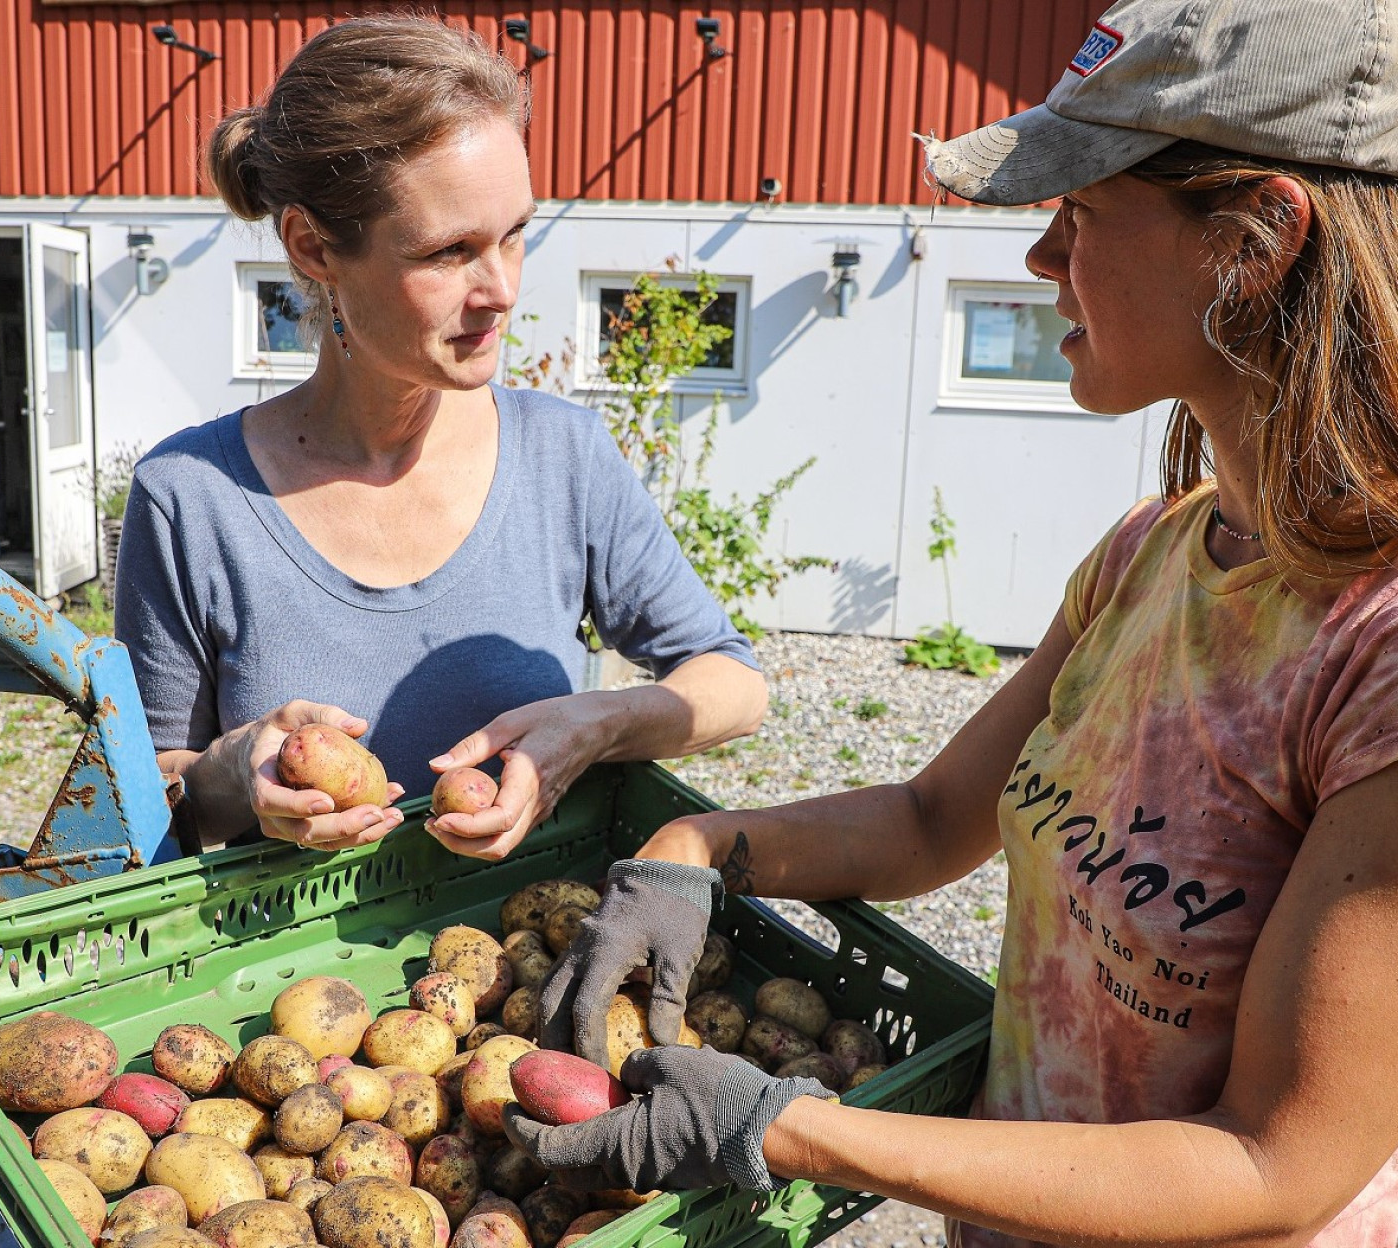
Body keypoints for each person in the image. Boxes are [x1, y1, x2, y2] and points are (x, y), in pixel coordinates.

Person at [511, 1, 1398, 1243]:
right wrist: (700, 848)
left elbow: (1276, 1166)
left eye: (1081, 212)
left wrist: (785, 1127)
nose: (1041, 259)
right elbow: (935, 821)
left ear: (1252, 241)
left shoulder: (1376, 655)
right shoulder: (1153, 550)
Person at [114, 16, 766, 855]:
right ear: (315, 248)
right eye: (450, 251)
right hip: (287, 976)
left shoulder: (562, 457)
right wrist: (237, 772)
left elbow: (736, 683)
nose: (500, 289)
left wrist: (597, 723)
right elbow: (141, 805)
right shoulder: (192, 499)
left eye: (515, 234)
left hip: (533, 948)